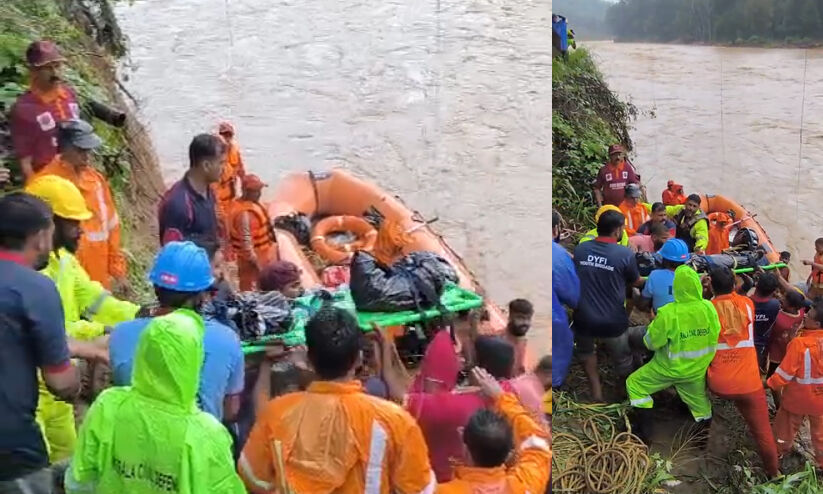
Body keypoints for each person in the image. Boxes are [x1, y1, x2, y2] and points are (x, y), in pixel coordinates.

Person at [239, 305, 435, 493]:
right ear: (358, 359)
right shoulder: (394, 420)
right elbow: (420, 489)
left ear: (308, 359)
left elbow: (255, 479)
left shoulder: (277, 413)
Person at [64, 310, 246, 493]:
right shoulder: (206, 434)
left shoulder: (108, 405)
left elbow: (79, 481)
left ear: (143, 351)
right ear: (195, 360)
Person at [25, 175, 138, 463]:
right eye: (73, 223)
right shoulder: (27, 273)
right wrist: (103, 332)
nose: (81, 230)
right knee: (34, 468)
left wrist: (141, 315)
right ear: (49, 223)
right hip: (30, 391)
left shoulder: (64, 261)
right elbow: (50, 332)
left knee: (67, 461)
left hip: (59, 387)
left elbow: (96, 300)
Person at [0, 193, 105, 491]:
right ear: (39, 237)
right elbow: (60, 382)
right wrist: (81, 386)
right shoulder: (35, 288)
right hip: (11, 444)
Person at [109, 241, 245, 422]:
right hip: (200, 437)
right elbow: (230, 411)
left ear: (155, 287)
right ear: (203, 294)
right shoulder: (226, 339)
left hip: (135, 434)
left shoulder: (120, 334)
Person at [627, 265, 719, 443]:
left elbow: (651, 343)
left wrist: (654, 324)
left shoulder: (668, 313)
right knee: (701, 405)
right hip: (696, 370)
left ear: (676, 288)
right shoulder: (709, 308)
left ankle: (645, 432)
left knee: (635, 385)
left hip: (667, 369)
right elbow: (715, 333)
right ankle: (701, 440)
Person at [31, 119, 126, 289]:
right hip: (64, 277)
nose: (86, 156)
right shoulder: (45, 186)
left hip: (98, 275)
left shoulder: (96, 181)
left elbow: (112, 227)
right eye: (81, 151)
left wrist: (117, 269)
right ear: (64, 148)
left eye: (88, 150)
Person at [705, 266, 779, 478]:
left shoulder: (707, 308)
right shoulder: (748, 304)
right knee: (763, 433)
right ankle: (774, 474)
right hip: (749, 384)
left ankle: (699, 433)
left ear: (710, 285)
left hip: (718, 384)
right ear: (734, 284)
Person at [434, 368, 551, 494]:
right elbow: (538, 441)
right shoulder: (525, 485)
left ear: (465, 449)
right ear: (508, 453)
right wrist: (501, 397)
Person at [573, 210, 643, 402]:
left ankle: (596, 392)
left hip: (584, 318)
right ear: (617, 230)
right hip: (613, 321)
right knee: (623, 358)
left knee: (586, 352)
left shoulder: (581, 250)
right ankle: (624, 392)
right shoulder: (624, 254)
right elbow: (635, 281)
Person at [10, 41, 81, 180]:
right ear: (34, 71)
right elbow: (25, 159)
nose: (55, 73)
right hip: (49, 180)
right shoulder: (24, 109)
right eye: (48, 68)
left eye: (58, 66)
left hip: (77, 175)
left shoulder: (69, 95)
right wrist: (35, 185)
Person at [767, 300, 823, 470]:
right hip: (820, 401)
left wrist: (766, 384)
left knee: (784, 431)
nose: (804, 316)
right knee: (820, 436)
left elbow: (783, 375)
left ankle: (776, 458)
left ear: (817, 324)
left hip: (797, 400)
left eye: (809, 315)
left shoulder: (799, 344)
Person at [158, 133, 225, 245]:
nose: (224, 169)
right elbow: (172, 252)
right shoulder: (178, 205)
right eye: (221, 163)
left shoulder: (209, 192)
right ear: (206, 166)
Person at [229, 174, 278, 291]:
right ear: (246, 192)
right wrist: (256, 265)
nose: (259, 194)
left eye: (259, 190)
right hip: (252, 261)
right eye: (256, 191)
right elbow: (246, 244)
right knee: (249, 287)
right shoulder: (244, 215)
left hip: (263, 254)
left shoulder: (253, 205)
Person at [552, 211, 579, 388]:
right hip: (550, 318)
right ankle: (555, 384)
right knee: (562, 339)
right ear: (555, 230)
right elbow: (574, 296)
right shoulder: (558, 255)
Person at [640, 239, 690, 314]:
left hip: (661, 320)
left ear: (665, 259)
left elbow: (642, 305)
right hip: (685, 320)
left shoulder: (655, 275)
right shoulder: (692, 276)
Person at [214, 122, 246, 239]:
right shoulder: (214, 157)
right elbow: (211, 187)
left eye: (229, 135)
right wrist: (217, 207)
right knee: (222, 227)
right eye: (224, 135)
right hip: (218, 199)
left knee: (233, 225)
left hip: (231, 196)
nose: (226, 138)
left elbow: (241, 169)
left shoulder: (235, 150)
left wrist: (245, 186)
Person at [767, 290, 807, 380]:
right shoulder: (801, 312)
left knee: (771, 370)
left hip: (776, 349)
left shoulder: (780, 318)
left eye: (784, 300)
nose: (782, 299)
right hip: (787, 348)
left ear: (792, 307)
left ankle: (769, 383)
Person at [750, 273, 781, 370]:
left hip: (744, 343)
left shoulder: (746, 302)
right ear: (773, 291)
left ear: (757, 285)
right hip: (760, 345)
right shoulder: (775, 305)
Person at [506, 298, 534, 376]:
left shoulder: (523, 341)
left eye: (528, 318)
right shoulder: (498, 342)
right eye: (520, 318)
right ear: (510, 317)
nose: (525, 323)